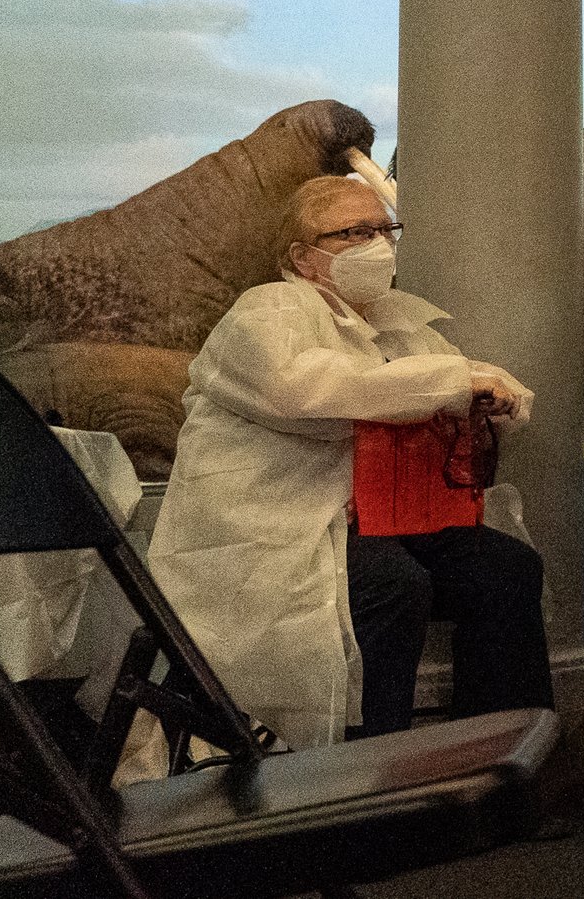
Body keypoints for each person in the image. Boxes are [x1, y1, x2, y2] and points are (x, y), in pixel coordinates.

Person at [147, 175, 551, 750]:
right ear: (304, 257)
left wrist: (494, 395)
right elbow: (308, 391)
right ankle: (376, 778)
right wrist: (455, 383)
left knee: (506, 569)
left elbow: (478, 380)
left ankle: (498, 764)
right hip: (283, 526)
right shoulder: (269, 310)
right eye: (357, 232)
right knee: (393, 584)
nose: (379, 245)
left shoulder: (399, 322)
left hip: (391, 519)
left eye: (387, 229)